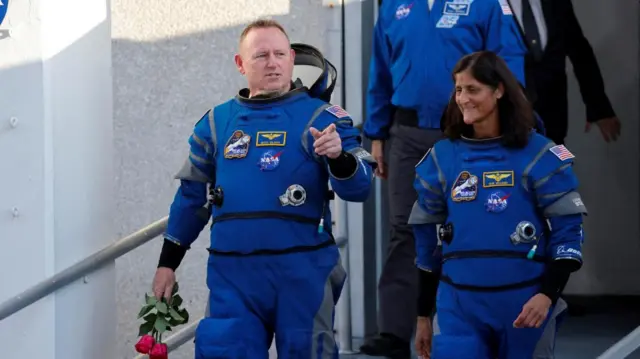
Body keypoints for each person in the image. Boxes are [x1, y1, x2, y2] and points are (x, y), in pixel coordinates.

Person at [150, 19, 376, 358]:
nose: (273, 62)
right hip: (233, 276)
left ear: (291, 58)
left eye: (280, 54)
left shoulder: (323, 118)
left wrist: (338, 157)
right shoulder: (217, 123)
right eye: (261, 55)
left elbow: (360, 187)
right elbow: (191, 199)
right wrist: (168, 263)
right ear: (240, 64)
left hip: (303, 273)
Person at [361, 0, 528, 356]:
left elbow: (509, 63)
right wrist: (376, 134)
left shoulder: (486, 4)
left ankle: (477, 327)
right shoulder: (393, 7)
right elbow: (380, 72)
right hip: (406, 134)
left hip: (466, 135)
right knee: (405, 228)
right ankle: (394, 332)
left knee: (475, 225)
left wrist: (510, 127)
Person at [409, 50, 586, 358]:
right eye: (459, 89)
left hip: (525, 305)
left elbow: (568, 236)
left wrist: (547, 295)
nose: (463, 98)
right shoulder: (442, 158)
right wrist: (423, 315)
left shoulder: (540, 155)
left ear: (499, 90)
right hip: (458, 307)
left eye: (473, 89)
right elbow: (426, 248)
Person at [508, 0, 621, 144]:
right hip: (505, 126)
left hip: (553, 125)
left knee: (559, 163)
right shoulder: (482, 5)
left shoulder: (557, 3)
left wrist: (599, 108)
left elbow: (579, 51)